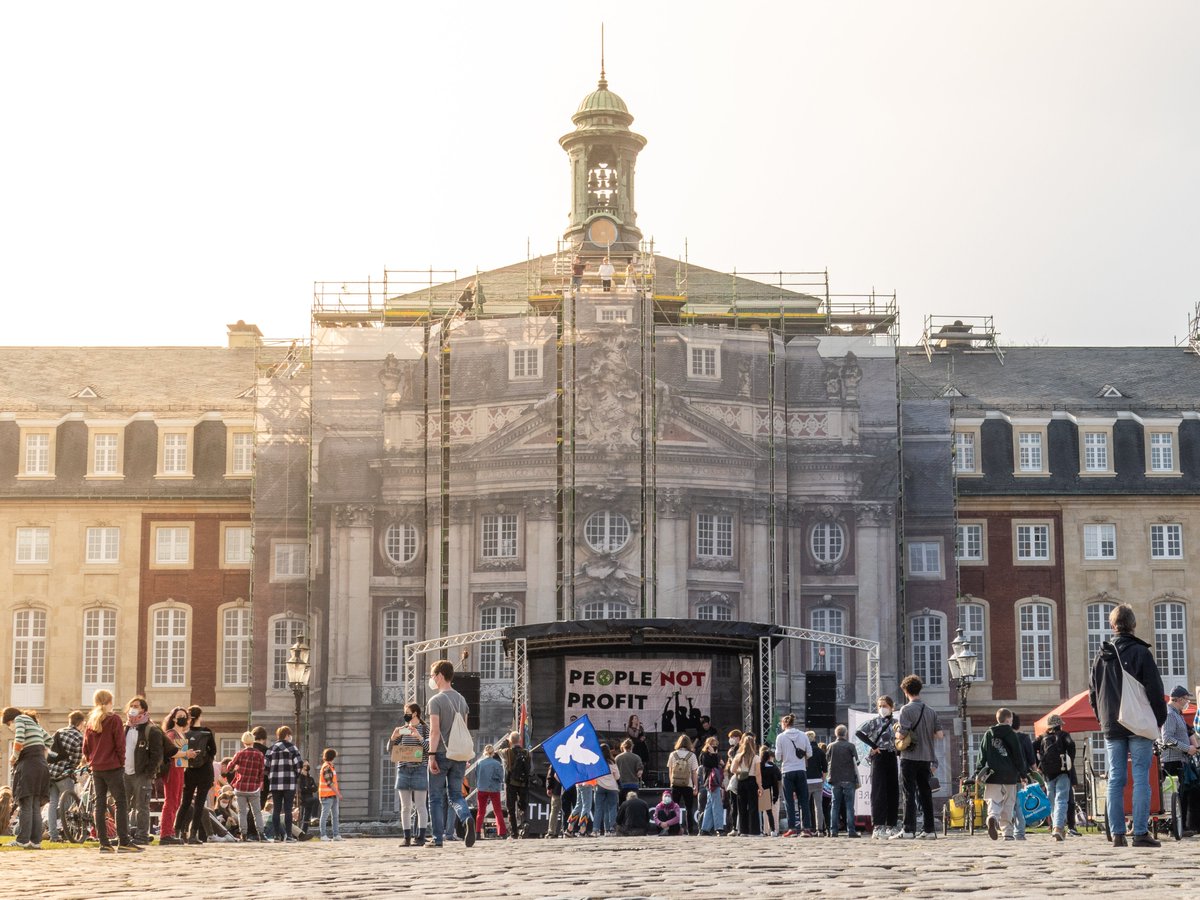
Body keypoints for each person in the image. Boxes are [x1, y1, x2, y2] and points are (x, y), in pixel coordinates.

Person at [1089, 603, 1168, 848]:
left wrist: (1102, 719)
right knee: (1141, 777)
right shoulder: (1141, 653)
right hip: (1138, 722)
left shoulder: (1101, 656)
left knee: (1115, 778)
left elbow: (1093, 692)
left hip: (1112, 724)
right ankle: (1141, 832)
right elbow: (1155, 690)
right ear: (1133, 626)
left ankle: (1118, 834)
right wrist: (1159, 718)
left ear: (1112, 626)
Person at [81, 689, 141, 852]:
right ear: (109, 702)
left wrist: (92, 761)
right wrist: (121, 762)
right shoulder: (114, 719)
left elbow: (85, 748)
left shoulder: (91, 722)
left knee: (99, 804)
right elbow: (120, 745)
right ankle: (123, 841)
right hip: (113, 766)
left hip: (97, 768)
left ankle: (104, 843)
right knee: (121, 803)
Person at [426, 657, 475, 849]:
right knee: (456, 795)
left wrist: (431, 756)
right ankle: (466, 818)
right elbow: (464, 728)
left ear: (439, 676)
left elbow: (434, 731)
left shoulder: (435, 700)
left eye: (432, 675)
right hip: (459, 754)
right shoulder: (462, 699)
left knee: (436, 797)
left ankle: (437, 838)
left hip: (441, 754)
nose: (431, 679)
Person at [890, 674, 943, 840]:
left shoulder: (906, 709)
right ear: (919, 690)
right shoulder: (931, 711)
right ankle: (929, 830)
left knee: (909, 793)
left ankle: (908, 829)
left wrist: (896, 730)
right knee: (925, 794)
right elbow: (940, 734)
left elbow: (901, 734)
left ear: (906, 691)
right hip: (926, 757)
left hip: (910, 757)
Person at [976, 707, 1029, 841]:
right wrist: (1023, 774)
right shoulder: (1012, 734)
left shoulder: (988, 734)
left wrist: (979, 771)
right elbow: (1018, 756)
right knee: (1008, 804)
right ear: (1009, 719)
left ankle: (992, 817)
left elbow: (982, 754)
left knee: (993, 800)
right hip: (1010, 775)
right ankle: (1007, 832)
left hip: (993, 774)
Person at [3, 707, 50, 850]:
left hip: (28, 765)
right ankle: (35, 841)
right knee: (35, 805)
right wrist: (42, 755)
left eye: (8, 725)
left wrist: (14, 756)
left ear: (10, 720)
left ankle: (22, 840)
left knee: (26, 804)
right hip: (41, 765)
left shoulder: (19, 719)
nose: (10, 728)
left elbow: (19, 738)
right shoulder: (34, 724)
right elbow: (49, 739)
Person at [857, 695, 900, 839]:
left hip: (892, 756)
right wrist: (873, 746)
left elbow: (901, 738)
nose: (882, 708)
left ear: (891, 707)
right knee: (878, 791)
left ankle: (891, 825)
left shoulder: (896, 723)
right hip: (879, 756)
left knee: (893, 791)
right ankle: (878, 826)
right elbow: (859, 733)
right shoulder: (874, 722)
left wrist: (899, 749)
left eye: (885, 706)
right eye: (880, 706)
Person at [123, 696, 163, 845]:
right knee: (122, 806)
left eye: (137, 706)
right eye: (131, 705)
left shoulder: (151, 729)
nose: (133, 708)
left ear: (144, 710)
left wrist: (149, 773)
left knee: (142, 806)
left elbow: (157, 754)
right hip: (124, 773)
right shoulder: (124, 727)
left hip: (142, 774)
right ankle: (123, 835)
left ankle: (141, 836)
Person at [1160, 686, 1200, 836]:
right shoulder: (1170, 714)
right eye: (1186, 699)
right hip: (1172, 760)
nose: (1187, 702)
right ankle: (1178, 827)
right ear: (1179, 699)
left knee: (1185, 792)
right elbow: (1167, 739)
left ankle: (1182, 825)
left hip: (1180, 759)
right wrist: (1186, 748)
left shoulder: (1177, 714)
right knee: (1181, 793)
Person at [176, 705, 217, 844]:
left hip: (189, 772)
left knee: (185, 803)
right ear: (200, 716)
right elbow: (214, 751)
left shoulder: (184, 733)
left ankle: (178, 832)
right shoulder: (207, 732)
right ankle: (194, 835)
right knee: (199, 804)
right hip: (205, 771)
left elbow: (181, 758)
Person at [391, 701, 430, 846]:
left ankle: (421, 836)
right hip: (403, 768)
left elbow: (429, 749)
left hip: (419, 769)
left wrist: (418, 737)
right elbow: (391, 748)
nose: (405, 715)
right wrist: (393, 737)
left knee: (420, 805)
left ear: (414, 713)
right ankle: (406, 837)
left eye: (407, 712)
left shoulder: (425, 729)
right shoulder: (403, 729)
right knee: (405, 806)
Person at [1034, 714, 1077, 842]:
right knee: (1062, 800)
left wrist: (1038, 765)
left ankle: (1055, 827)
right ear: (1060, 725)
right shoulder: (1064, 735)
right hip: (1062, 772)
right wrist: (1069, 762)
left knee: (1052, 802)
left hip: (1048, 774)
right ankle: (1058, 827)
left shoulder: (1042, 737)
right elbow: (1072, 747)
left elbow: (1031, 748)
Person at [45, 710, 85, 843]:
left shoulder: (58, 731)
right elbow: (78, 757)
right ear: (81, 723)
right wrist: (73, 766)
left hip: (51, 772)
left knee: (53, 803)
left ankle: (53, 835)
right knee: (68, 804)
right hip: (64, 773)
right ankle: (68, 833)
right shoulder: (78, 736)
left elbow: (49, 751)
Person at [265, 725, 304, 843]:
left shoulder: (271, 749)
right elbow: (299, 766)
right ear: (287, 735)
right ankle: (289, 836)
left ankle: (277, 836)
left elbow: (265, 767)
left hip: (275, 783)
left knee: (276, 809)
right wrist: (295, 776)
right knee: (288, 809)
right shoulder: (293, 748)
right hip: (289, 783)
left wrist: (271, 776)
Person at [774, 715, 812, 837]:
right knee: (804, 801)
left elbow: (778, 757)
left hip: (787, 771)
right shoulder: (803, 735)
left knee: (789, 801)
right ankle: (806, 828)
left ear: (784, 724)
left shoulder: (780, 737)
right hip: (801, 770)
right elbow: (810, 753)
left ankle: (792, 828)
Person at [158, 706, 191, 844]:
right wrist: (186, 754)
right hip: (172, 770)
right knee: (171, 801)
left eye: (185, 715)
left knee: (176, 801)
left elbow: (181, 757)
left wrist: (187, 755)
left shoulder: (182, 735)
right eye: (180, 715)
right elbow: (171, 752)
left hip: (180, 769)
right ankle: (165, 833)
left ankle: (169, 831)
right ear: (173, 718)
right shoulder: (171, 734)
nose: (183, 718)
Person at [227, 731, 267, 842]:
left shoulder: (240, 754)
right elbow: (261, 772)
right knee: (257, 812)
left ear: (243, 742)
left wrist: (236, 768)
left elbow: (229, 767)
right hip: (254, 787)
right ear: (253, 742)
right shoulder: (259, 754)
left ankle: (243, 835)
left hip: (240, 787)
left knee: (242, 812)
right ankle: (261, 834)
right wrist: (260, 785)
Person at [827, 724, 861, 837]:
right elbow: (857, 762)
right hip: (849, 779)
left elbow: (827, 760)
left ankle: (833, 831)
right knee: (849, 806)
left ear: (836, 734)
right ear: (845, 733)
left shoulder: (831, 746)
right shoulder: (850, 746)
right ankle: (851, 830)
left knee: (835, 805)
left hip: (835, 779)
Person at [729, 733, 762, 837]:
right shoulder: (756, 757)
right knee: (753, 807)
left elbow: (732, 770)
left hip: (742, 781)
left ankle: (743, 830)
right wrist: (760, 786)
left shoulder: (739, 756)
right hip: (752, 781)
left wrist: (741, 771)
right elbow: (758, 773)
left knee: (741, 806)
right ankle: (754, 831)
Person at [1010, 713, 1036, 841]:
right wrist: (1035, 772)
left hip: (1003, 777)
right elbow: (1031, 759)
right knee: (1019, 805)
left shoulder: (1002, 738)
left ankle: (1007, 831)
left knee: (1007, 804)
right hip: (1020, 776)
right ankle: (1019, 833)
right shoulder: (1024, 738)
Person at [666, 734, 699, 834]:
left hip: (675, 784)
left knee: (673, 808)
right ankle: (690, 830)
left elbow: (670, 770)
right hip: (687, 785)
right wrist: (695, 786)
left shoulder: (673, 754)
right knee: (689, 808)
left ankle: (673, 829)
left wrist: (672, 782)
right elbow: (694, 772)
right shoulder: (692, 755)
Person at [503, 730, 532, 839]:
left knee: (511, 808)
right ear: (520, 740)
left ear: (510, 741)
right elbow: (530, 768)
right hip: (523, 783)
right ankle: (525, 823)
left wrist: (506, 743)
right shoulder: (527, 753)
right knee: (522, 806)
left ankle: (514, 833)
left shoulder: (507, 752)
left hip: (511, 783)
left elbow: (495, 752)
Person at [474, 745, 507, 839]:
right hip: (494, 789)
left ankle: (477, 833)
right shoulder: (497, 764)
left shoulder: (479, 763)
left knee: (480, 812)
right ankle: (502, 833)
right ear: (493, 753)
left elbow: (477, 775)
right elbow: (501, 778)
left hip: (482, 788)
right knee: (497, 811)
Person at [698, 735, 725, 835]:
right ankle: (719, 827)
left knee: (709, 805)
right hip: (711, 782)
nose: (714, 747)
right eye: (712, 745)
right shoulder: (704, 755)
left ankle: (705, 828)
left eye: (716, 745)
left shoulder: (715, 755)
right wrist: (714, 754)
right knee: (717, 804)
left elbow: (722, 764)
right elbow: (712, 764)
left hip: (714, 781)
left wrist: (716, 755)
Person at [594, 743, 621, 837]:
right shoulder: (612, 762)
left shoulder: (596, 761)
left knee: (598, 809)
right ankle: (610, 830)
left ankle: (596, 830)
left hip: (599, 787)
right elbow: (617, 776)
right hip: (612, 788)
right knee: (612, 808)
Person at [806, 731, 828, 836]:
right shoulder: (820, 751)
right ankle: (820, 829)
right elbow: (825, 768)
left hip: (806, 781)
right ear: (814, 738)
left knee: (805, 806)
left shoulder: (804, 751)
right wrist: (822, 779)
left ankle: (807, 828)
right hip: (818, 781)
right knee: (818, 806)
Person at [318, 748, 343, 841]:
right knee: (324, 816)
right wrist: (338, 793)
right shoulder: (327, 767)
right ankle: (323, 835)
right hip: (326, 795)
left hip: (332, 795)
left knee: (335, 816)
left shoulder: (330, 766)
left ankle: (336, 835)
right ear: (333, 757)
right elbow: (330, 783)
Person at [759, 747, 781, 836]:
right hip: (767, 790)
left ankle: (761, 830)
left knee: (759, 812)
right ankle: (773, 830)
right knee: (769, 812)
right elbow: (777, 780)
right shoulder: (772, 767)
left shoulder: (758, 765)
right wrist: (776, 794)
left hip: (758, 789)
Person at [298, 761, 320, 835]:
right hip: (303, 798)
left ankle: (303, 832)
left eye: (307, 765)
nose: (306, 767)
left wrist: (308, 787)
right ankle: (314, 816)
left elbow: (315, 789)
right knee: (316, 800)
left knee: (306, 816)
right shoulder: (300, 777)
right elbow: (302, 789)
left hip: (310, 797)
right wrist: (310, 787)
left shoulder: (310, 777)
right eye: (305, 765)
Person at [544, 765, 564, 838]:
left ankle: (551, 831)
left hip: (557, 790)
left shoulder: (555, 761)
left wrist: (549, 787)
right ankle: (563, 830)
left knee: (554, 810)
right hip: (563, 789)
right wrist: (549, 787)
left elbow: (550, 775)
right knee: (564, 811)